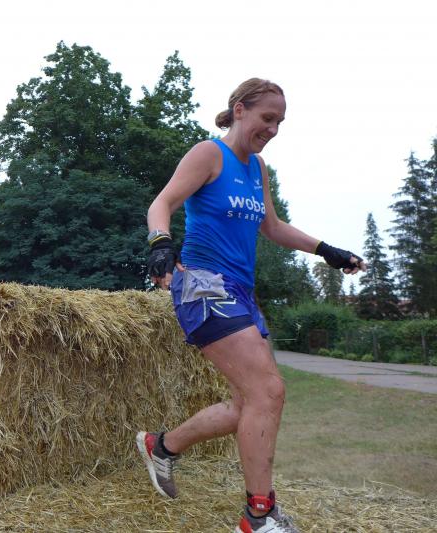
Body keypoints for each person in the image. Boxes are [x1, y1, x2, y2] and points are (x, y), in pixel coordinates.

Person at [135, 78, 366, 533]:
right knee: (269, 392)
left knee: (248, 403)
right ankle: (258, 514)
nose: (273, 129)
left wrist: (326, 251)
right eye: (267, 118)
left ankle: (162, 446)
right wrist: (160, 242)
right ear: (239, 109)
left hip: (241, 290)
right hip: (204, 285)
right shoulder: (209, 154)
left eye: (280, 122)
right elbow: (162, 203)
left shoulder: (257, 167)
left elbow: (272, 227)